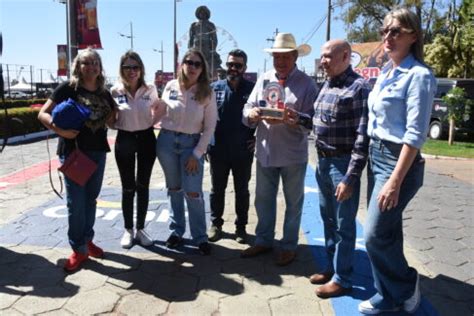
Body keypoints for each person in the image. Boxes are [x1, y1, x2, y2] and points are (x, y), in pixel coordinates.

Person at [358, 8, 436, 315]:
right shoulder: (386, 73)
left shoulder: (419, 76)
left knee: (374, 235)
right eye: (384, 31)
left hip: (397, 163)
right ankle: (388, 293)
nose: (387, 37)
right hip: (375, 157)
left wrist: (394, 180)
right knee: (387, 232)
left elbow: (415, 135)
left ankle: (403, 286)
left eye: (396, 32)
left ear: (413, 36)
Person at [241, 33, 318, 266]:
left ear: (295, 56)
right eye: (276, 56)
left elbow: (314, 121)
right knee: (263, 200)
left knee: (293, 203)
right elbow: (248, 107)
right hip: (265, 151)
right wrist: (251, 115)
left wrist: (296, 119)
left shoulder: (307, 84)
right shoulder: (264, 78)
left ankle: (289, 245)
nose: (280, 61)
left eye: (285, 57)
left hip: (293, 154)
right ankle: (264, 240)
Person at [38, 48, 117, 272]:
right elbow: (43, 113)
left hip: (98, 152)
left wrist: (120, 112)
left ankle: (87, 240)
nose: (91, 67)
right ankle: (78, 249)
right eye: (86, 63)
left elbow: (112, 122)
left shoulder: (105, 92)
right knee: (75, 202)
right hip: (74, 153)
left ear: (100, 67)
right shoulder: (68, 88)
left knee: (91, 200)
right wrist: (58, 129)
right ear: (78, 67)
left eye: (95, 62)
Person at [308, 40, 370, 298]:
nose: (323, 61)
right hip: (322, 161)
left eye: (327, 57)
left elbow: (362, 136)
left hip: (342, 164)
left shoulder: (359, 87)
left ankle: (343, 279)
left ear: (345, 56)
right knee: (328, 219)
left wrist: (350, 176)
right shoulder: (328, 84)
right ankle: (332, 268)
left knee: (344, 224)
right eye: (321, 57)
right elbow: (321, 124)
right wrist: (298, 119)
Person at [156, 48, 217, 255]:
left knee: (193, 192)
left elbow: (209, 128)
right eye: (189, 62)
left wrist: (197, 154)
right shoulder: (171, 86)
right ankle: (176, 231)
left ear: (202, 69)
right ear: (182, 64)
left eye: (197, 64)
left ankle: (200, 236)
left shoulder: (206, 92)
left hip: (191, 145)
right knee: (174, 189)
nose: (192, 67)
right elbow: (159, 112)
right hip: (166, 143)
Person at [110, 51, 166, 249]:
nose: (132, 71)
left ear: (141, 69)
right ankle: (128, 229)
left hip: (146, 139)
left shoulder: (150, 89)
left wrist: (154, 121)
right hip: (124, 139)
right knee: (127, 187)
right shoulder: (115, 91)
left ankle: (141, 229)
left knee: (143, 185)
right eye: (127, 67)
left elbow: (159, 110)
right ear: (121, 69)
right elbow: (111, 121)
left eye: (135, 67)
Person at [207, 49, 256, 244]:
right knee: (216, 189)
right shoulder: (214, 88)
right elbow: (204, 117)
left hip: (243, 150)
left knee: (242, 190)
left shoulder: (253, 89)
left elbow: (264, 117)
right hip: (218, 150)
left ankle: (241, 227)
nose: (233, 69)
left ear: (245, 68)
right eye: (230, 65)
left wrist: (258, 137)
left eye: (238, 65)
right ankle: (215, 224)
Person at [188, 5, 222, 77]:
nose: (202, 14)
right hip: (196, 45)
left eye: (204, 13)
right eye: (200, 13)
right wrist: (190, 48)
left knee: (208, 61)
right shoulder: (194, 25)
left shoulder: (210, 25)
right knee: (196, 60)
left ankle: (210, 75)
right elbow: (191, 37)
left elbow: (214, 38)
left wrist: (213, 48)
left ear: (206, 14)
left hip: (206, 45)